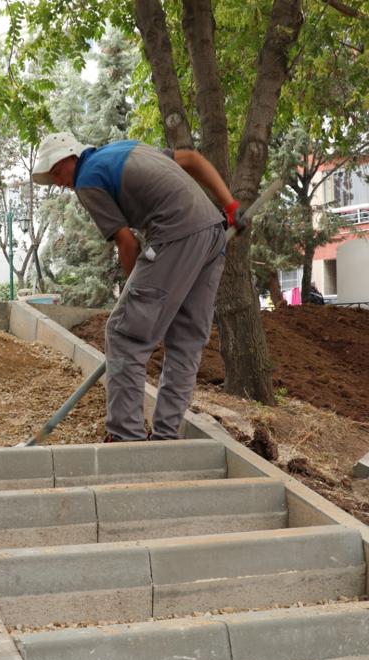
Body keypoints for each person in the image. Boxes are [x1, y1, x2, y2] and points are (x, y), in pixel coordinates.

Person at [32, 132, 241, 442]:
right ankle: (166, 437)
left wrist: (133, 299)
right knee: (185, 339)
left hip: (176, 233)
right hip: (211, 233)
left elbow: (127, 243)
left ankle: (126, 437)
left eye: (57, 173)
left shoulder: (87, 178)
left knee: (123, 334)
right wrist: (231, 206)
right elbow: (194, 160)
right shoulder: (127, 149)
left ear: (69, 158)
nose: (59, 183)